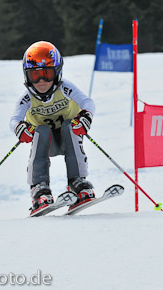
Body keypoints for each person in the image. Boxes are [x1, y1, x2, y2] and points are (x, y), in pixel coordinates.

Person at [9, 41, 96, 214]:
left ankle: (77, 182)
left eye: (47, 74)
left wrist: (86, 117)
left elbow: (87, 102)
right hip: (44, 143)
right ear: (27, 76)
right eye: (35, 76)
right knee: (41, 130)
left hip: (68, 139)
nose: (41, 81)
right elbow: (14, 119)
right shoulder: (27, 97)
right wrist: (19, 128)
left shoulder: (65, 88)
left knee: (70, 125)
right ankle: (39, 188)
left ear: (57, 72)